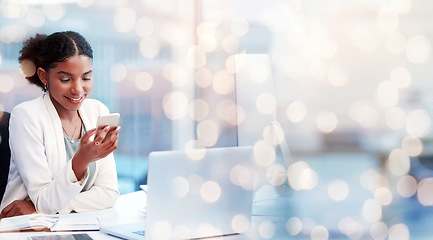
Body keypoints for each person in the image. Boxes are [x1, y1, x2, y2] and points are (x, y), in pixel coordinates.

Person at [0, 31, 120, 218]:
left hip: (77, 223)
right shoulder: (26, 116)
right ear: (43, 76)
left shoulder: (98, 111)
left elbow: (109, 193)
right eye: (65, 79)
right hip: (29, 226)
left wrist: (38, 207)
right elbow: (44, 200)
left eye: (86, 78)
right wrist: (82, 160)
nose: (78, 89)